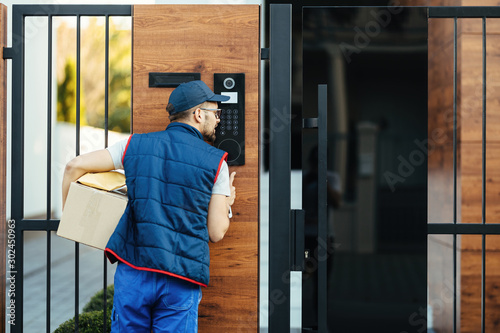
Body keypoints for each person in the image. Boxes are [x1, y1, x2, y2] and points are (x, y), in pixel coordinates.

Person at [62, 80, 236, 332]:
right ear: (199, 114)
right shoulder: (216, 162)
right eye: (216, 113)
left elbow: (72, 167)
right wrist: (227, 202)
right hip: (181, 277)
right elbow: (216, 232)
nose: (219, 120)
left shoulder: (133, 145)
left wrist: (71, 221)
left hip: (134, 271)